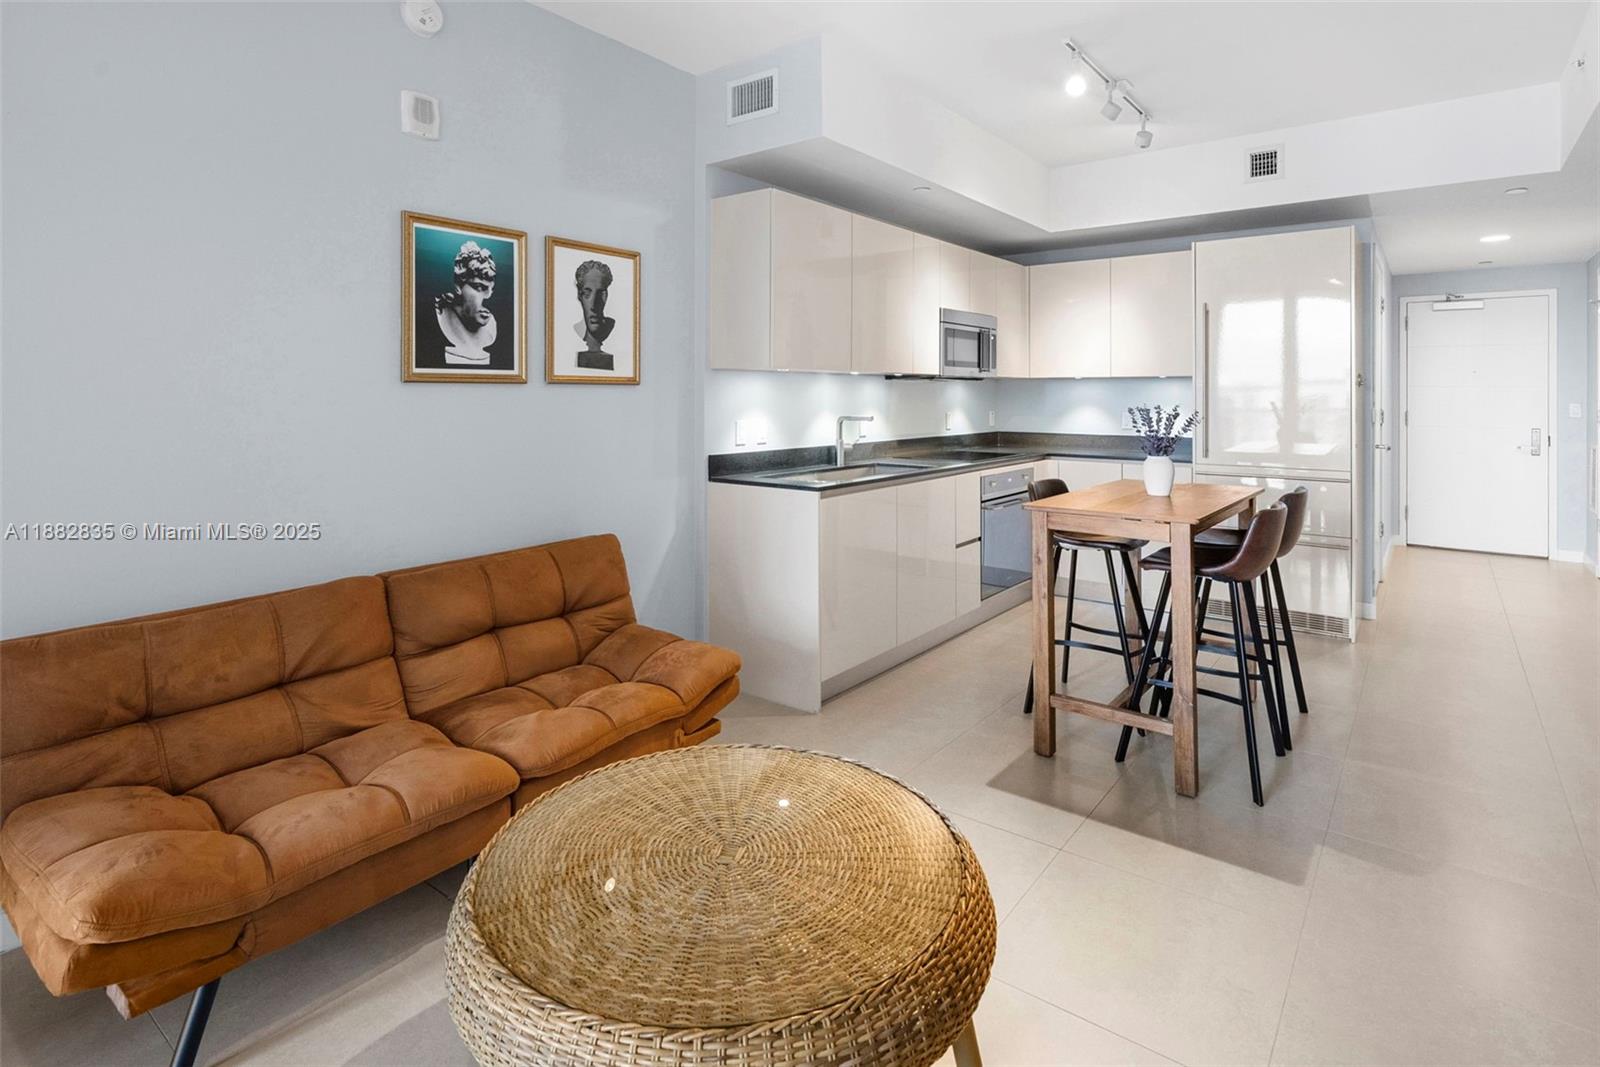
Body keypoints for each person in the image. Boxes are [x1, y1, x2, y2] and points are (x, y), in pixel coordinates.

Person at [434, 241, 497, 365]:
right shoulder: (445, 313)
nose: (487, 296)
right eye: (478, 287)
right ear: (458, 286)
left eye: (490, 289)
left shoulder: (491, 325)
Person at [571, 258, 615, 370]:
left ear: (606, 296)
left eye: (600, 294)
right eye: (587, 293)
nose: (594, 305)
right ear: (579, 294)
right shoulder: (573, 330)